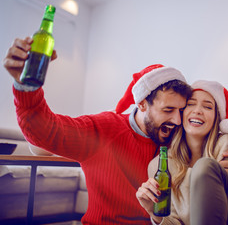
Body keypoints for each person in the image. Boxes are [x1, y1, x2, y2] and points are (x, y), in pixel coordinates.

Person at [3, 37, 193, 224]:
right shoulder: (105, 129)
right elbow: (44, 131)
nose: (177, 120)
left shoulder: (176, 138)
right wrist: (26, 86)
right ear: (142, 104)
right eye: (168, 110)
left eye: (181, 110)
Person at [136, 80, 228, 225]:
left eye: (207, 106)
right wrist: (154, 213)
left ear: (216, 118)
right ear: (182, 113)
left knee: (204, 166)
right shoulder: (160, 166)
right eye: (191, 104)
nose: (197, 110)